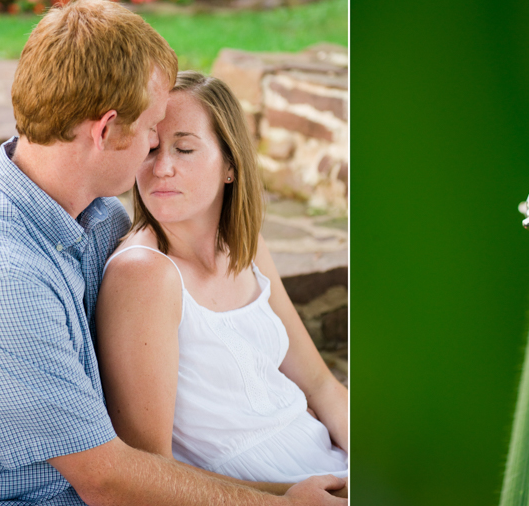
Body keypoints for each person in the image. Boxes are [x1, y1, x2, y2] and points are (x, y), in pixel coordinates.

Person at [0, 0, 346, 505]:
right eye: (151, 134)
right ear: (106, 129)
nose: (154, 157)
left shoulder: (96, 219)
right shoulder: (0, 275)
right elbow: (109, 480)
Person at [95, 71, 348, 495]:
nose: (162, 168)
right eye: (151, 148)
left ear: (230, 164)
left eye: (185, 148)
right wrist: (290, 499)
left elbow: (321, 385)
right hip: (263, 496)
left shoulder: (244, 246)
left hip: (325, 467)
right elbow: (150, 472)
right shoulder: (144, 275)